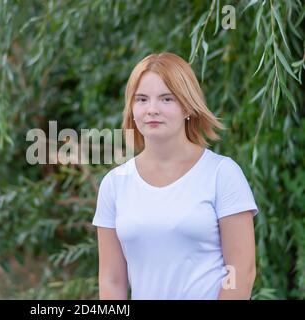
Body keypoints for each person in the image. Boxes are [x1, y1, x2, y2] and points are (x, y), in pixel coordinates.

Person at [92, 52, 259, 300]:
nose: (152, 109)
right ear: (132, 109)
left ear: (188, 106)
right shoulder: (114, 184)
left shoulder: (222, 174)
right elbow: (111, 280)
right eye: (142, 99)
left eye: (166, 99)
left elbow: (241, 272)